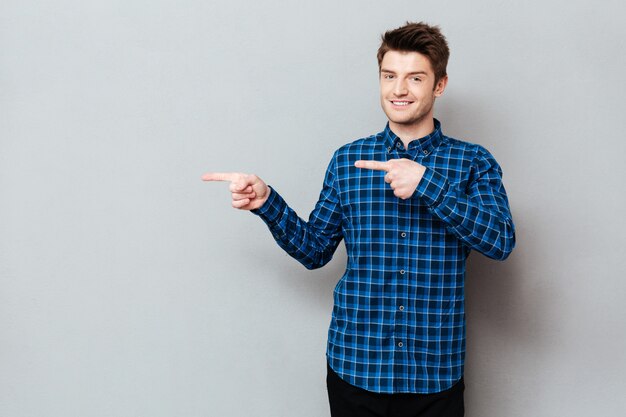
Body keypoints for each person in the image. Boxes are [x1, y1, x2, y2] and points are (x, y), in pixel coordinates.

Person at [202, 21, 515, 417]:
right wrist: (267, 202)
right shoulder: (348, 161)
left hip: (435, 375)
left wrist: (427, 184)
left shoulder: (473, 162)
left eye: (415, 78)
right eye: (389, 76)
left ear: (439, 85)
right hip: (355, 368)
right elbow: (314, 249)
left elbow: (501, 241)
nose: (399, 90)